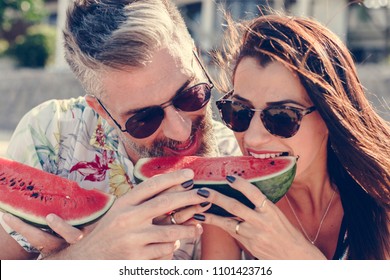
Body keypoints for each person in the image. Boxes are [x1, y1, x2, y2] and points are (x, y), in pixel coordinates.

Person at [0, 0, 239, 260]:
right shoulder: (50, 134)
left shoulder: (236, 153)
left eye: (190, 95)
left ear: (196, 58)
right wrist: (85, 258)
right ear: (102, 111)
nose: (180, 131)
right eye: (145, 119)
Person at [193, 14, 390, 259]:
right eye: (239, 112)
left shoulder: (381, 201)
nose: (253, 138)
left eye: (281, 117)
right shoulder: (230, 205)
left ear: (331, 117)